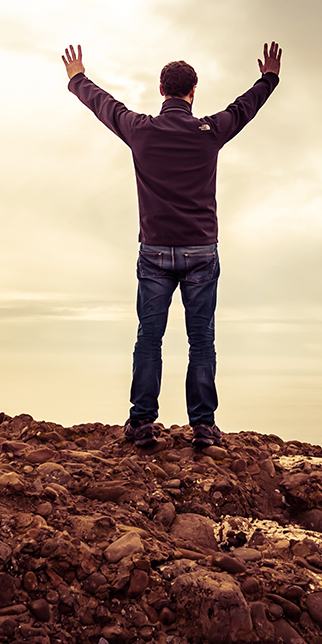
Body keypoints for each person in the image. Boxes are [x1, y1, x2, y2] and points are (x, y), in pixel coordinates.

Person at [62, 42, 282, 450]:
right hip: (201, 252)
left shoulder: (141, 130)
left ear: (161, 90)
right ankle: (203, 428)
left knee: (150, 337)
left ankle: (142, 424)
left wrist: (77, 78)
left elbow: (104, 105)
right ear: (192, 91)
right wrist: (268, 78)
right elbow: (243, 108)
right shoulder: (209, 131)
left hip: (155, 253)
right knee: (201, 340)